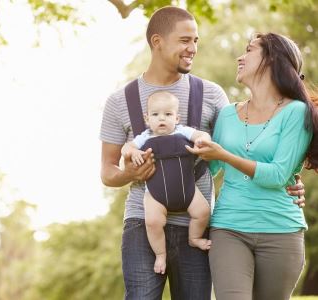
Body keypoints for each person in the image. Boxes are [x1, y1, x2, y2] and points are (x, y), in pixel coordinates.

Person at [99, 6, 307, 300]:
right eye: (185, 40)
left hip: (196, 224)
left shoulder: (211, 95)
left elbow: (232, 150)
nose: (193, 49)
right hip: (143, 221)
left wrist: (289, 178)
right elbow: (107, 171)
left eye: (196, 41)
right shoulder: (119, 101)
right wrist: (128, 173)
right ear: (157, 41)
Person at [187, 32, 318, 300]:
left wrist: (224, 155)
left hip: (281, 231)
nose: (240, 57)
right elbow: (209, 170)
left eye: (249, 50)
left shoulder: (296, 112)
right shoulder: (226, 114)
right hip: (228, 228)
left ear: (272, 59)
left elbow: (279, 175)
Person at [121, 91, 212, 275]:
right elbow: (126, 148)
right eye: (155, 115)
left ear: (177, 117)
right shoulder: (144, 137)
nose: (161, 119)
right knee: (153, 222)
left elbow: (201, 134)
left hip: (188, 191)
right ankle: (160, 254)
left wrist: (203, 140)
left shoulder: (183, 131)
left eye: (168, 114)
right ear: (147, 119)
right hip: (156, 195)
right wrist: (133, 153)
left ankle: (194, 238)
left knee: (203, 212)